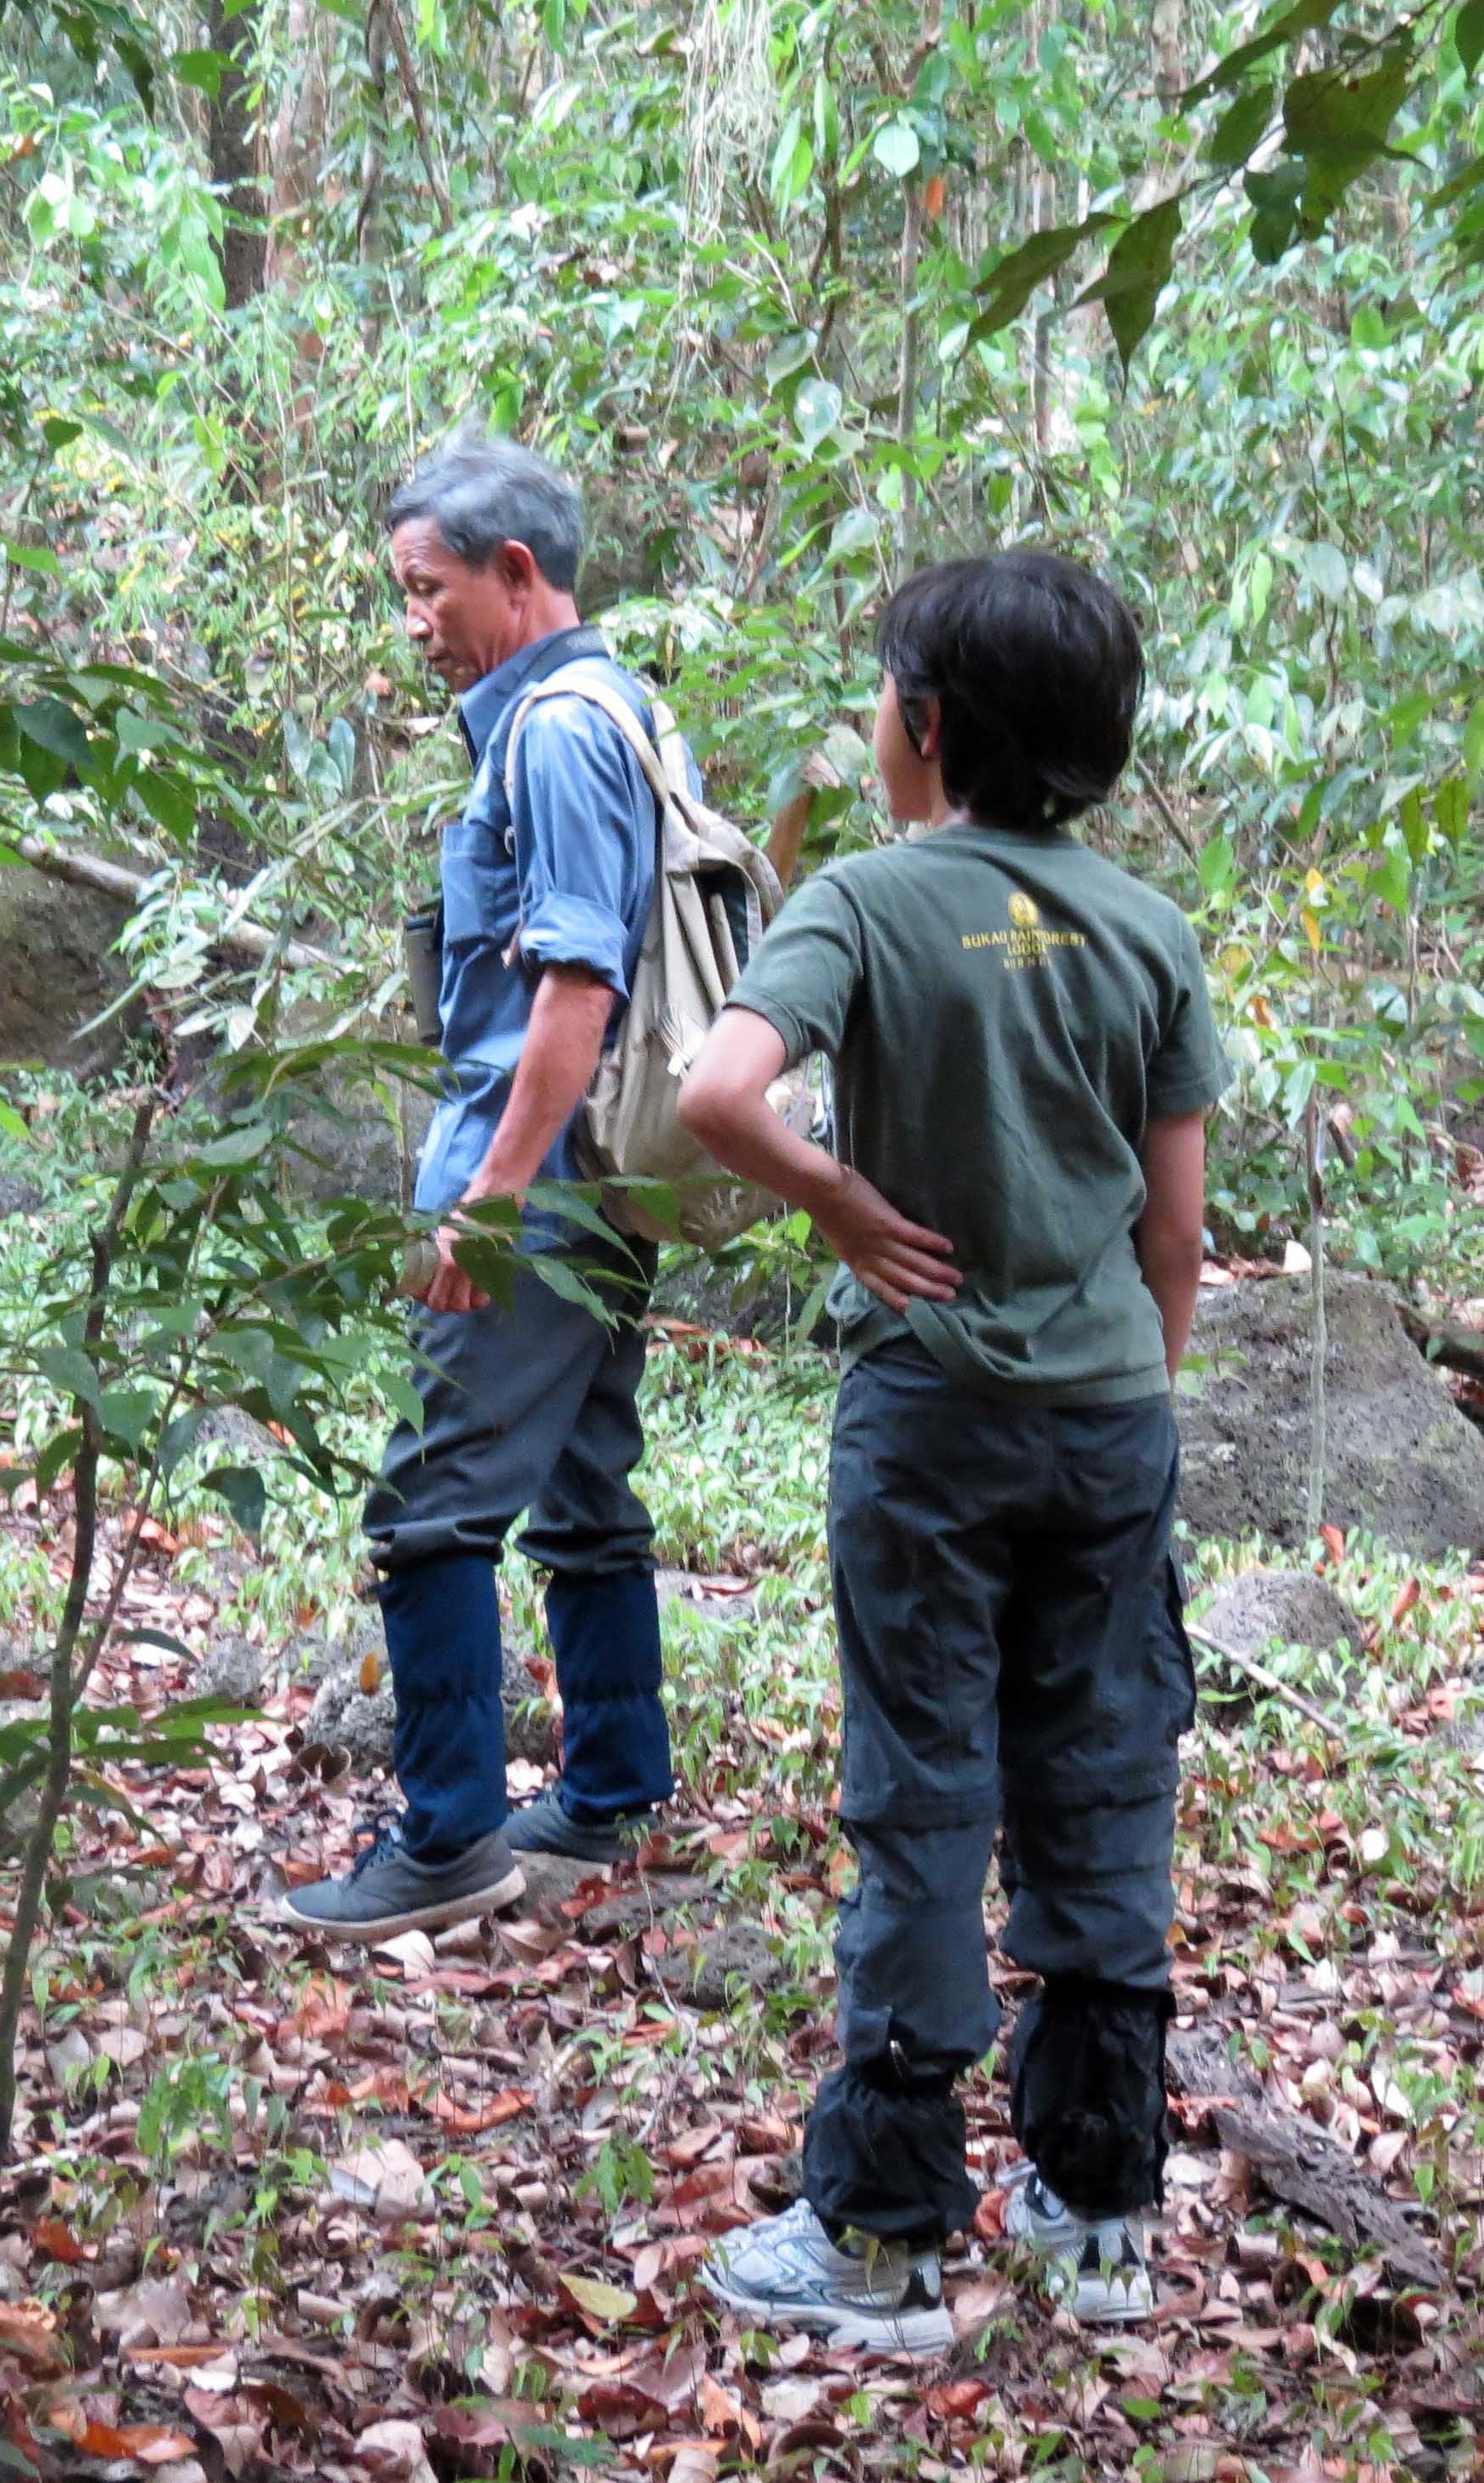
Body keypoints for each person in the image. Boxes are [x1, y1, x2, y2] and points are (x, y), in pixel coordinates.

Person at [677, 551, 1230, 2348]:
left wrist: (840, 1204)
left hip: (927, 1425)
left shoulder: (868, 898)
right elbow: (1176, 1239)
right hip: (1107, 1426)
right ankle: (1095, 2224)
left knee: (922, 1795)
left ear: (926, 724)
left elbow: (713, 1094)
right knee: (1102, 1792)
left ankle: (886, 2238)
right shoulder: (1150, 931)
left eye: (882, 693)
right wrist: (1126, 1394)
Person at [284, 436, 675, 1943]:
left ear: (518, 577)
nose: (414, 621)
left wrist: (491, 1201)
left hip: (544, 1190)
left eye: (426, 589)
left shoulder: (560, 734)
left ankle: (447, 1838)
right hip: (603, 1181)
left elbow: (575, 987)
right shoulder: (624, 711)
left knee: (432, 1509)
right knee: (583, 1487)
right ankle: (609, 1793)